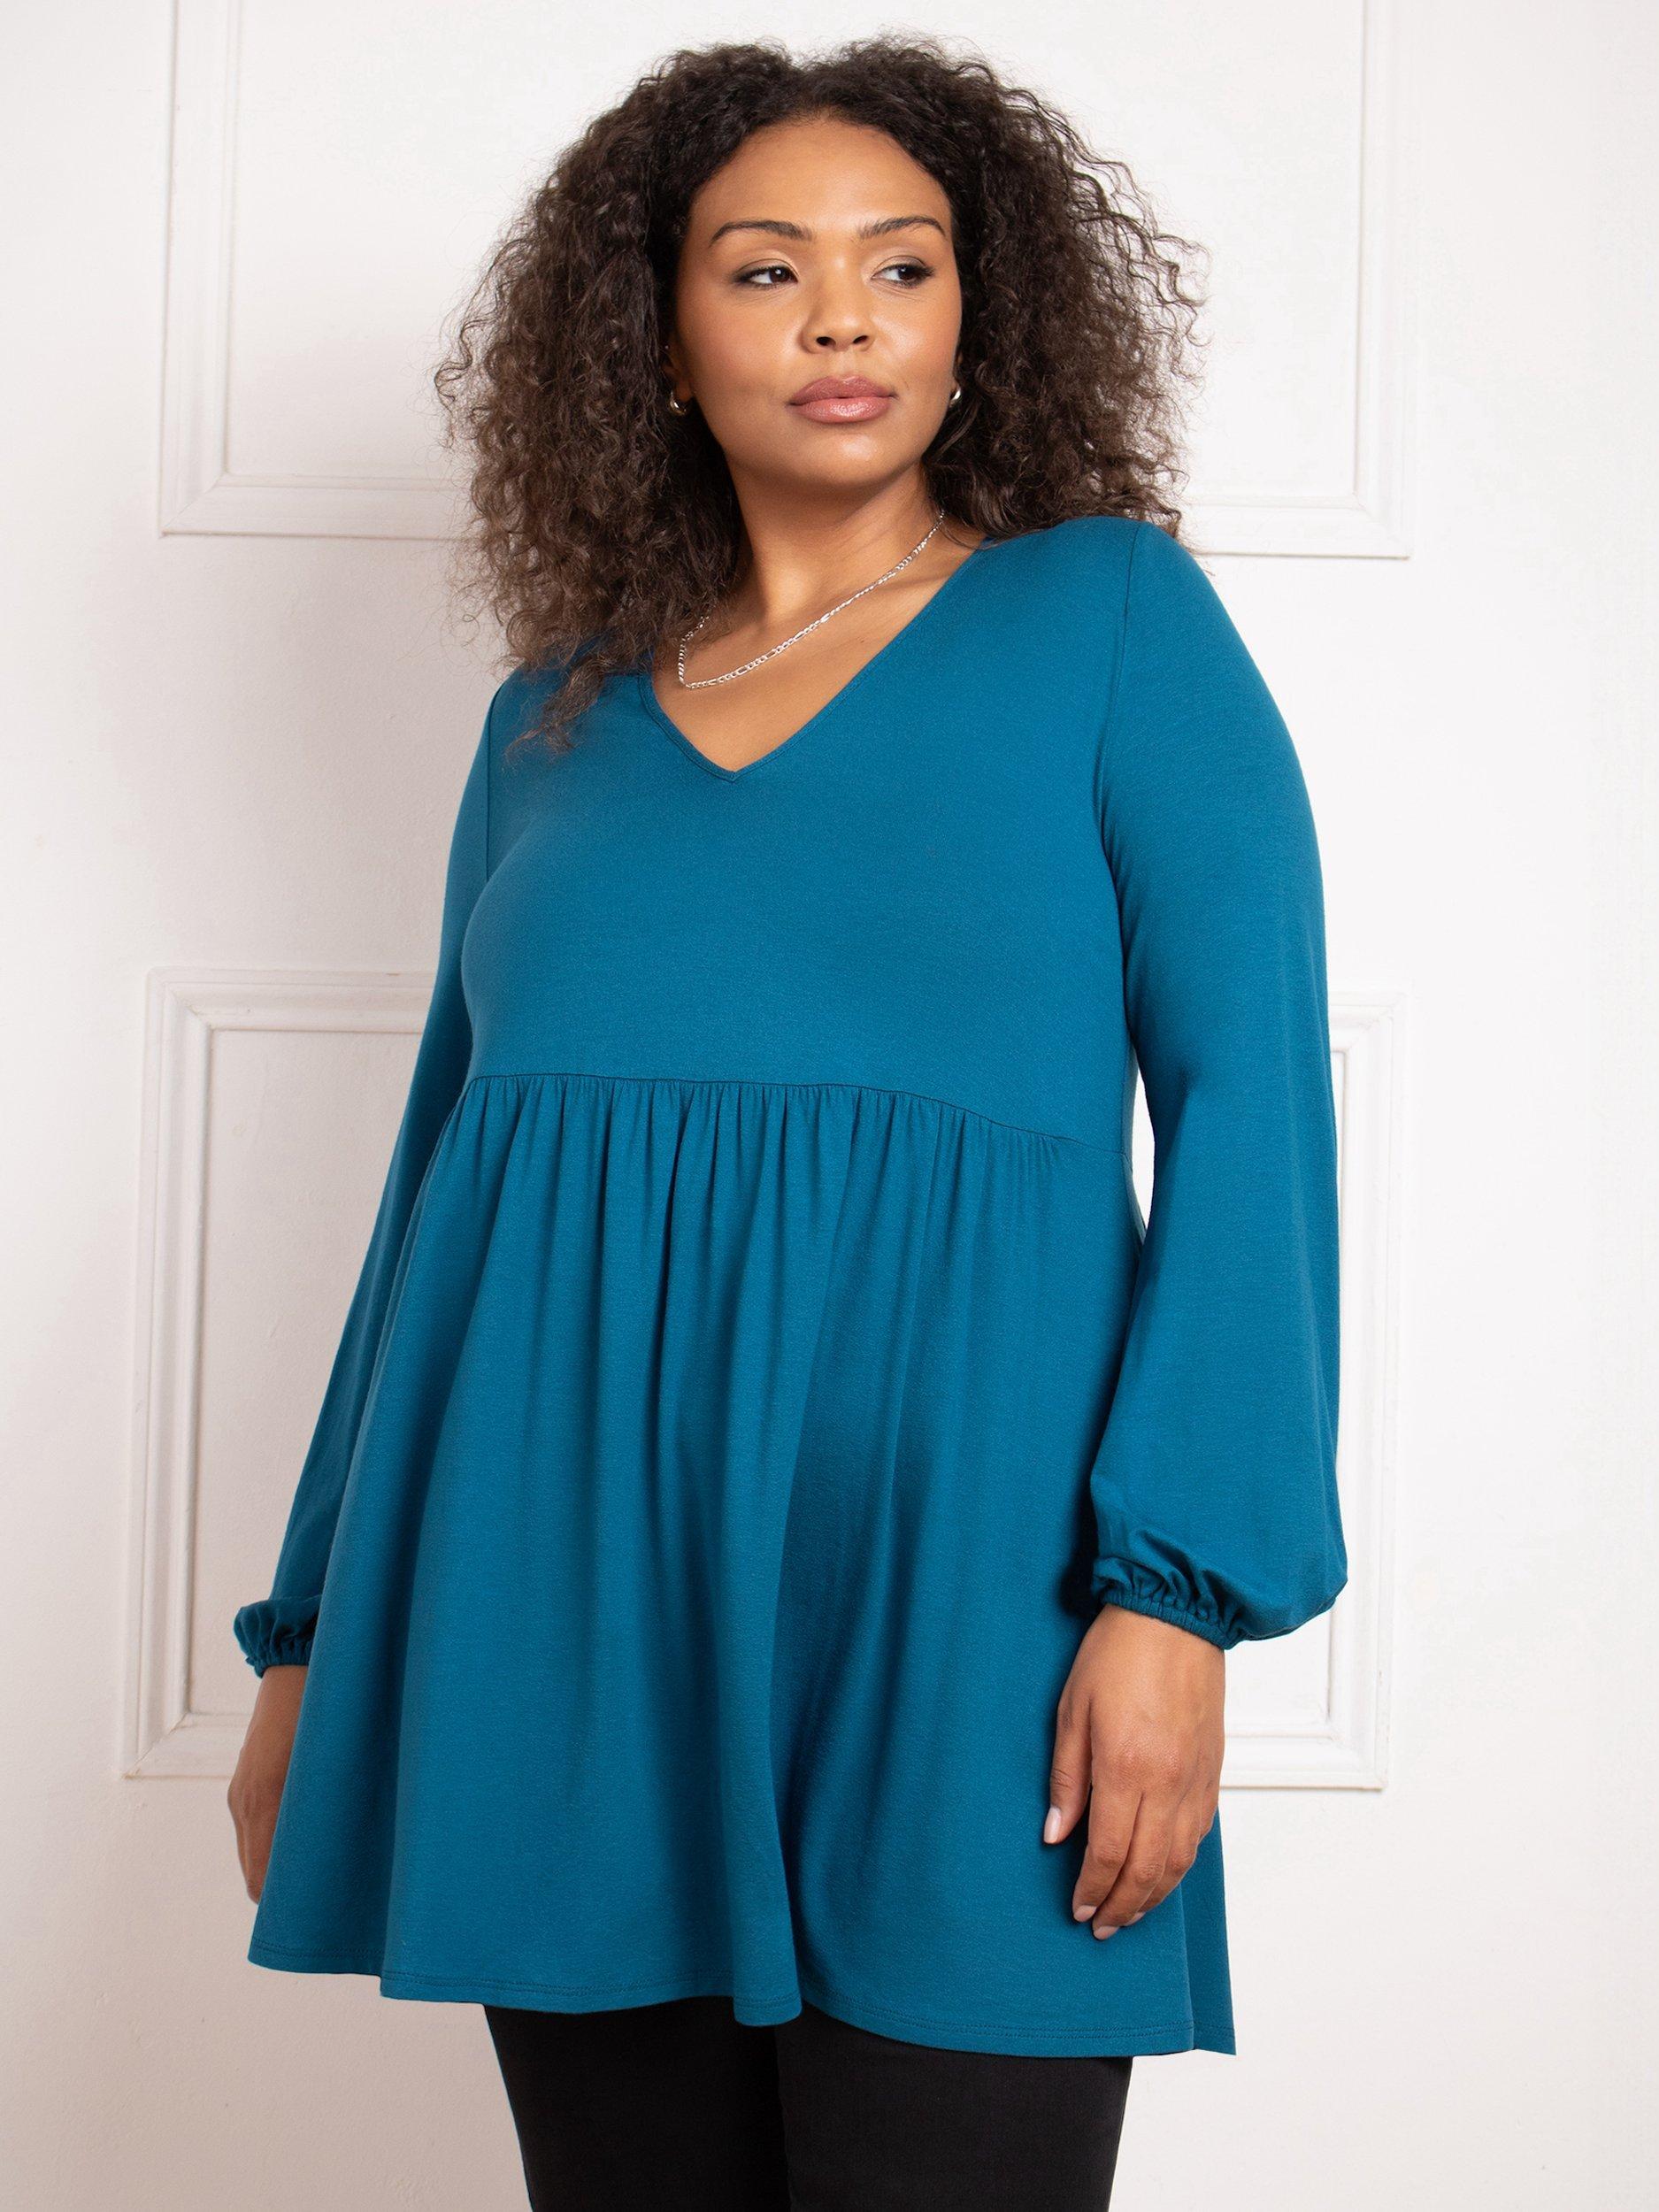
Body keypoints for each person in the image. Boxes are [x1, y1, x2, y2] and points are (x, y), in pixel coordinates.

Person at [227, 34, 1348, 2211]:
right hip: (563, 1609)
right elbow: (442, 1185)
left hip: (972, 1612)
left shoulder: (1111, 620)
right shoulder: (545, 723)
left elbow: (1251, 1118)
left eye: (898, 266)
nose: (841, 318)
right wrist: (316, 1633)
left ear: (975, 320)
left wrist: (1178, 1599)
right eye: (764, 270)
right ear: (654, 341)